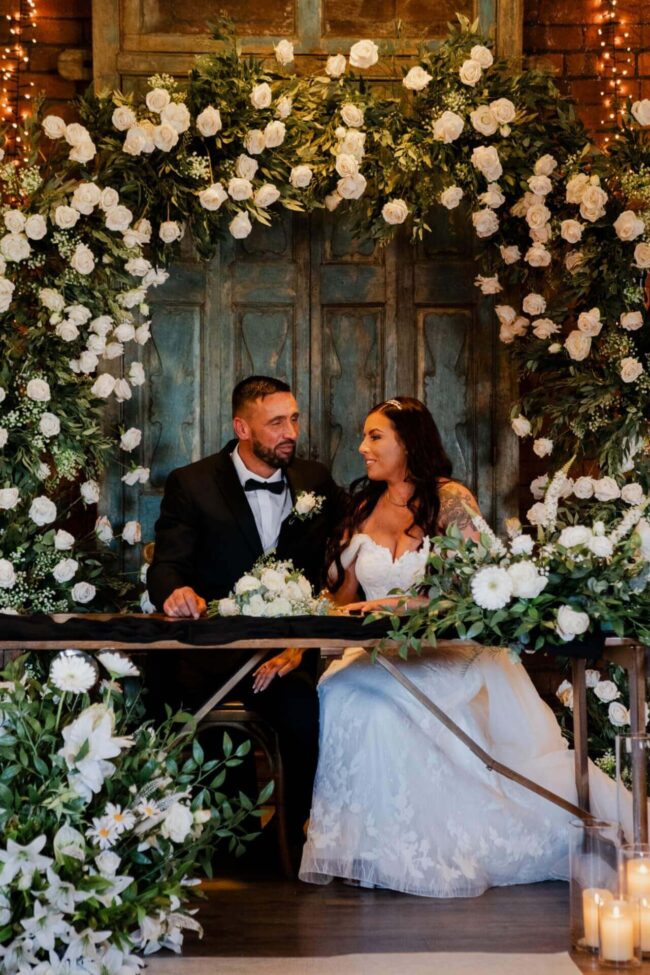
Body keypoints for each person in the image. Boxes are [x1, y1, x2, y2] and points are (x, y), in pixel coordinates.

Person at [262, 396, 621, 897]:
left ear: (408, 442)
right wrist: (294, 646)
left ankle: (421, 846)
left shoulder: (448, 499)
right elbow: (339, 599)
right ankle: (363, 846)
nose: (363, 447)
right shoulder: (362, 505)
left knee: (366, 697)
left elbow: (475, 590)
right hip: (377, 654)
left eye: (375, 436)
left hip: (442, 651)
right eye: (365, 436)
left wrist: (401, 608)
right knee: (341, 688)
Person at [147, 375, 344, 849]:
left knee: (306, 713)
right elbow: (168, 564)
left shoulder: (314, 480)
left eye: (293, 419)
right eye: (275, 422)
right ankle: (226, 838)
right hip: (213, 651)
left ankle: (295, 840)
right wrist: (176, 592)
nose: (290, 432)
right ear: (242, 427)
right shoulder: (191, 484)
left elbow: (351, 545)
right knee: (183, 706)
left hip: (285, 653)